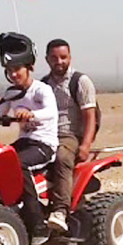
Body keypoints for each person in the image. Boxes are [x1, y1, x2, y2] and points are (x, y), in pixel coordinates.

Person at [0, 33, 59, 242]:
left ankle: (37, 223)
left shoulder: (41, 90)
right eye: (9, 71)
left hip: (43, 144)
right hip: (24, 142)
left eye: (17, 69)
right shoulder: (11, 93)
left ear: (30, 67)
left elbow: (51, 112)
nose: (13, 75)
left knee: (18, 165)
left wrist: (31, 114)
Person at [41, 38, 99, 234]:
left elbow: (89, 116)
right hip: (44, 135)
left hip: (68, 135)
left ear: (70, 57)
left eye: (63, 57)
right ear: (47, 59)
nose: (59, 62)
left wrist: (86, 145)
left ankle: (60, 211)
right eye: (54, 58)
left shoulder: (80, 82)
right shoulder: (42, 85)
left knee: (62, 157)